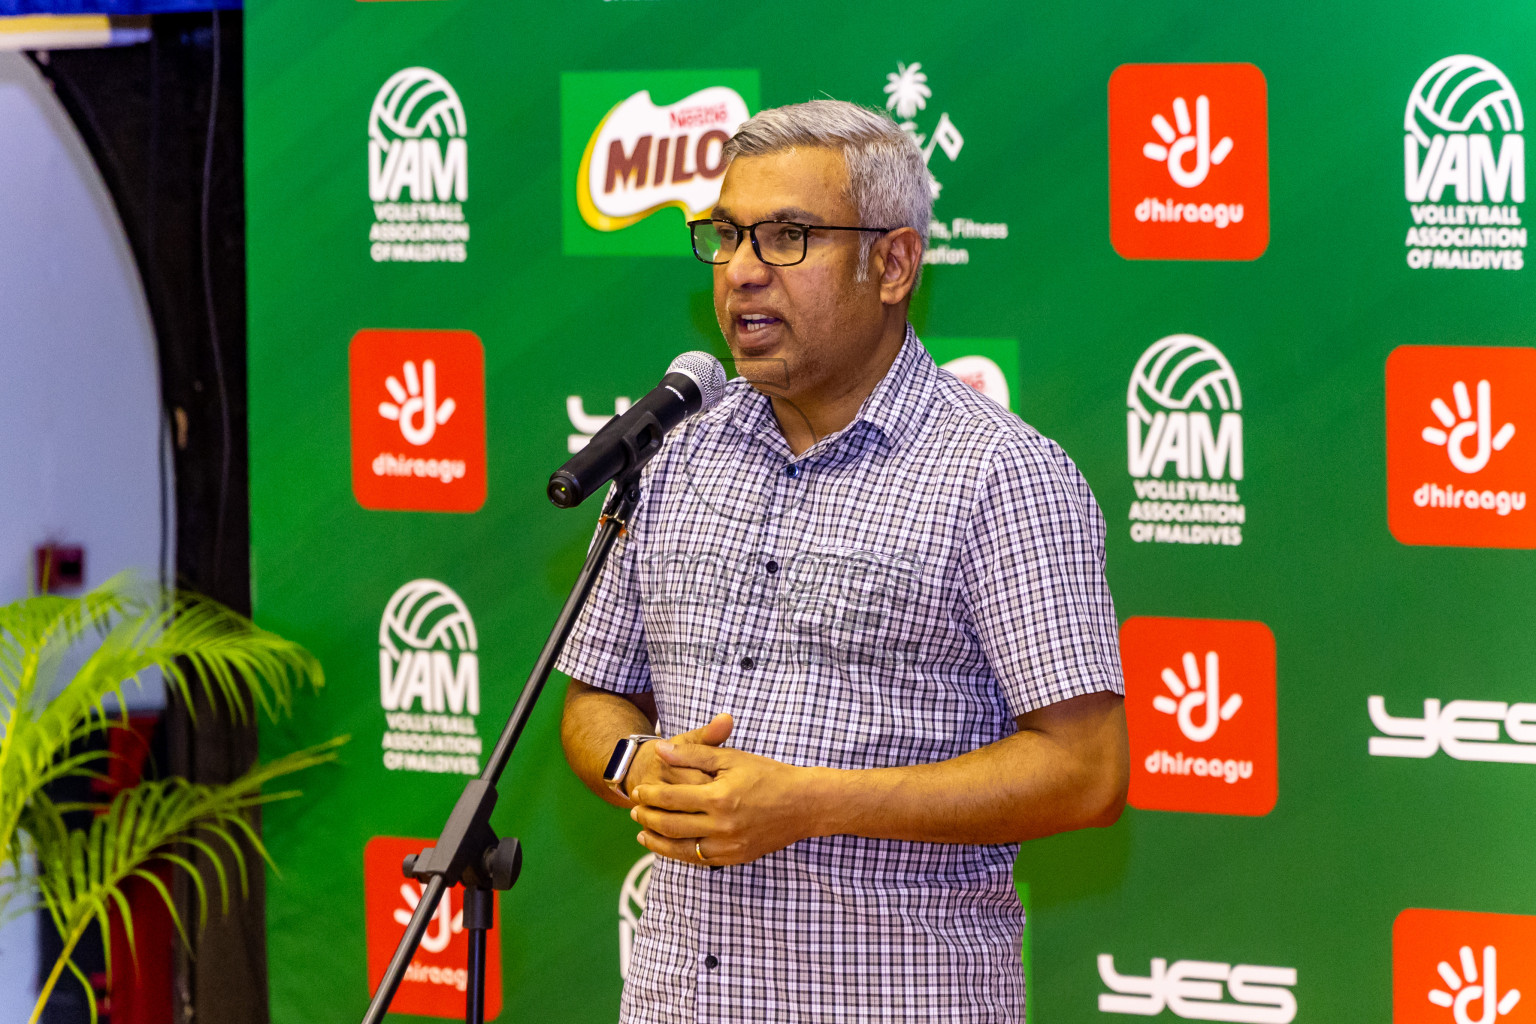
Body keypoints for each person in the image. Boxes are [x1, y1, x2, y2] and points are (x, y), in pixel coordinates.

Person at [557, 99, 1128, 1024]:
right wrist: (635, 763)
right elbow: (593, 698)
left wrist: (812, 803)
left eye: (787, 237)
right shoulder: (670, 453)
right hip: (678, 1000)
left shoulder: (1002, 475)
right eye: (727, 235)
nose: (742, 272)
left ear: (894, 263)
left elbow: (1088, 769)